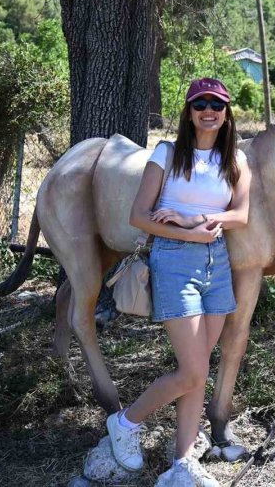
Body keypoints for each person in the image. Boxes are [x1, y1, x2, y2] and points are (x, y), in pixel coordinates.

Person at [107, 77, 251, 486]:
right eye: (200, 103)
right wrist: (189, 233)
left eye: (217, 105)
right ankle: (125, 421)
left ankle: (182, 461)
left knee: (199, 371)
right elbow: (139, 215)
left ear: (227, 114)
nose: (209, 110)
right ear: (188, 112)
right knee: (191, 371)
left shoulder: (235, 160)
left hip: (216, 265)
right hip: (173, 261)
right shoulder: (167, 154)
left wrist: (194, 220)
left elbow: (240, 215)